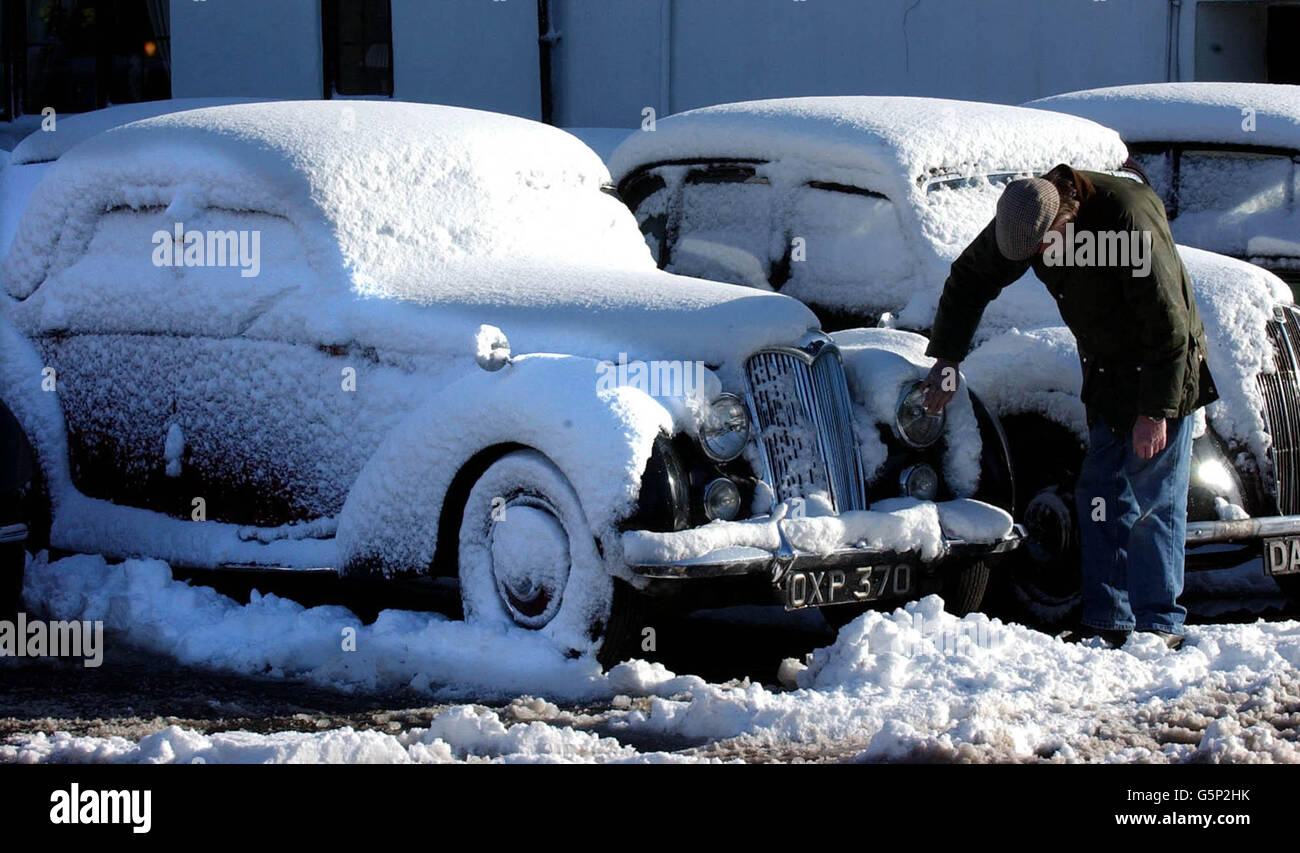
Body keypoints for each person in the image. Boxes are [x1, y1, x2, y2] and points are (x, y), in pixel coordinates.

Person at [920, 164, 1217, 650]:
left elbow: (1171, 324)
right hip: (1105, 370)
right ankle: (1108, 620)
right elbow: (971, 278)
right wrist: (948, 359)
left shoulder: (1125, 220)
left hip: (1161, 368)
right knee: (1100, 495)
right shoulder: (1026, 217)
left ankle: (1160, 624)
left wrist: (1155, 413)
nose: (1039, 258)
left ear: (1066, 217)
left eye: (1043, 247)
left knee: (1151, 500)